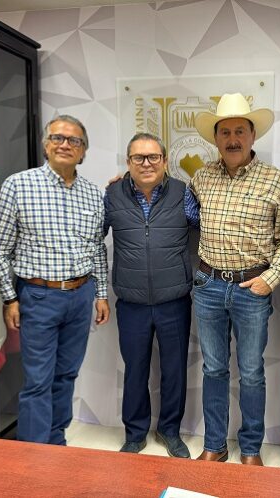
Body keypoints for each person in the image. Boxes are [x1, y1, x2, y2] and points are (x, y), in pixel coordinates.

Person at [0, 115, 109, 445]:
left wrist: (100, 293)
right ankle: (33, 455)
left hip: (81, 296)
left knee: (66, 375)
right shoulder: (18, 185)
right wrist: (10, 298)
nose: (65, 144)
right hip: (38, 297)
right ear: (46, 145)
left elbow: (97, 248)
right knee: (38, 381)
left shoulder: (93, 194)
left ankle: (56, 444)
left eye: (74, 140)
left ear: (83, 151)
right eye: (58, 138)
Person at [191, 92, 280, 466]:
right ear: (216, 138)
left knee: (251, 373)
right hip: (208, 287)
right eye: (225, 132)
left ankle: (250, 449)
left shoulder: (276, 181)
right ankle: (214, 444)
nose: (232, 139)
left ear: (253, 135)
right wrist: (125, 182)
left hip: (252, 289)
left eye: (240, 131)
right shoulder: (201, 178)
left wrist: (271, 278)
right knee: (214, 369)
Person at [104, 132, 199, 458]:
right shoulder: (112, 195)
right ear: (128, 162)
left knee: (174, 370)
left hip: (175, 300)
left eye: (153, 157)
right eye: (138, 158)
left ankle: (170, 431)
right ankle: (135, 434)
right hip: (131, 302)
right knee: (135, 370)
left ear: (165, 161)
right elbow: (92, 235)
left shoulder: (183, 193)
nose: (146, 163)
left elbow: (207, 228)